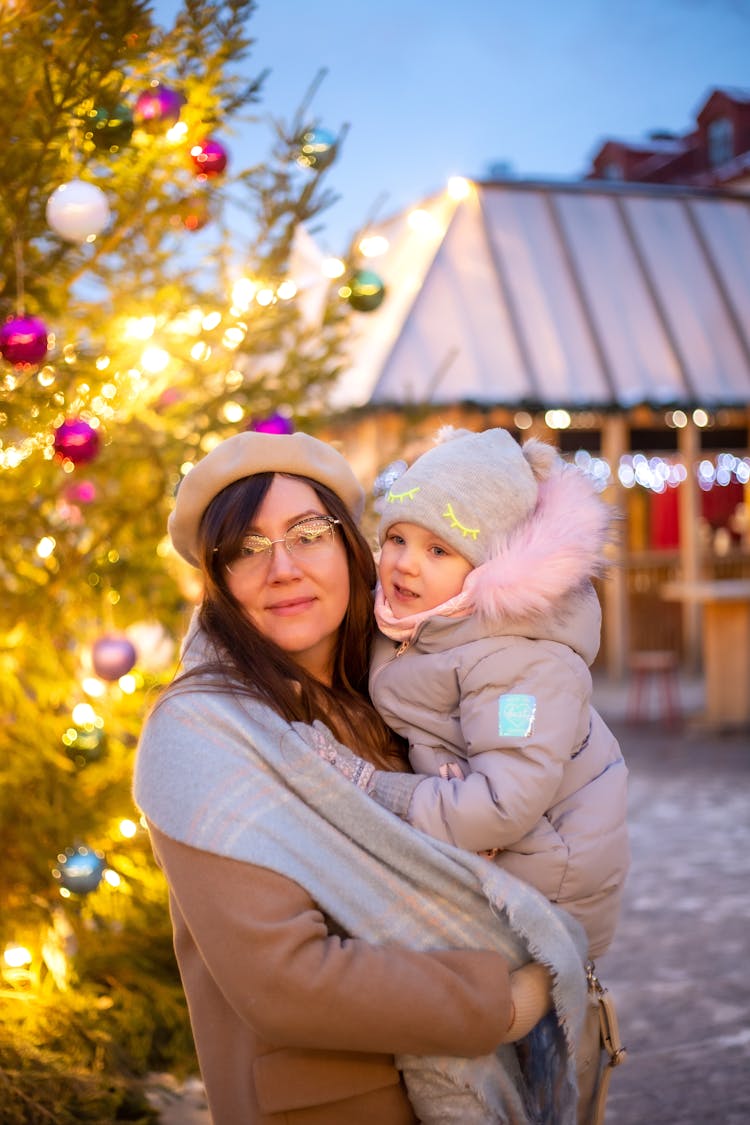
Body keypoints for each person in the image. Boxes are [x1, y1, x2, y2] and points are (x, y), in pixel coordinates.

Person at [133, 429, 589, 1125]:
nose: (281, 567)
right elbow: (286, 980)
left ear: (352, 546)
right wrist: (501, 1002)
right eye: (246, 548)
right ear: (218, 581)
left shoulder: (390, 695)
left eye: (308, 532)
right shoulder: (202, 733)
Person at [364, 425, 630, 960]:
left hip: (545, 892)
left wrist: (380, 791)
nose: (406, 563)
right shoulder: (416, 621)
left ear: (486, 569)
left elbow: (503, 803)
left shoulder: (519, 659)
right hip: (489, 866)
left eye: (439, 548)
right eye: (397, 538)